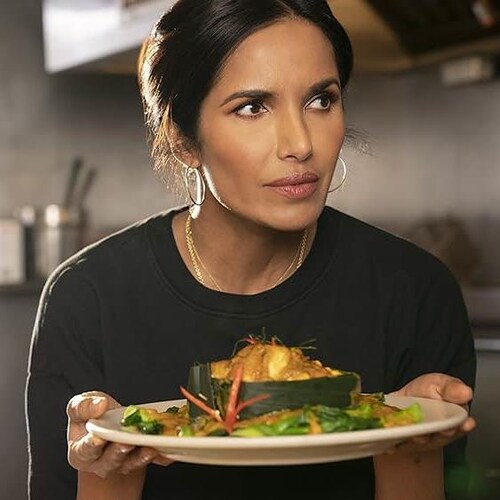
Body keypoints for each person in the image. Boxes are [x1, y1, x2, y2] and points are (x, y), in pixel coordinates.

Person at [25, 0, 477, 499]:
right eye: (251, 107)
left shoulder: (414, 291)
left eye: (320, 100)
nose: (300, 143)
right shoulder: (88, 297)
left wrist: (410, 444)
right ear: (182, 137)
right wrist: (108, 465)